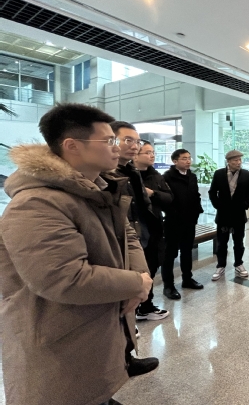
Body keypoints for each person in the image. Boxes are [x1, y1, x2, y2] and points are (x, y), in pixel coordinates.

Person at [0, 103, 155, 405]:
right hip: (59, 341)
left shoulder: (95, 190)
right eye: (108, 140)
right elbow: (64, 278)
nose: (117, 147)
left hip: (94, 328)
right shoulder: (37, 203)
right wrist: (136, 284)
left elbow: (127, 236)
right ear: (72, 146)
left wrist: (140, 275)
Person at [111, 122, 169, 323]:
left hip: (146, 234)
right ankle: (128, 321)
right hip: (124, 238)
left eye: (137, 142)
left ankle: (142, 310)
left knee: (146, 274)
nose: (134, 146)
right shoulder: (106, 175)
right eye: (128, 140)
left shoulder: (132, 172)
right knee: (128, 282)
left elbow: (154, 202)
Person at [134, 141, 174, 319]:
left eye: (153, 152)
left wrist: (153, 194)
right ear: (135, 156)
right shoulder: (127, 175)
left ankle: (146, 307)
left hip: (154, 229)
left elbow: (169, 198)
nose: (152, 155)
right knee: (134, 270)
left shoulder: (156, 175)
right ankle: (131, 311)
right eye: (148, 152)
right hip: (134, 230)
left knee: (151, 266)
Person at [162, 148, 204, 299]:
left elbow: (196, 195)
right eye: (184, 158)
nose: (188, 161)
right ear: (175, 161)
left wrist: (197, 212)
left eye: (189, 158)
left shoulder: (192, 176)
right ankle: (168, 286)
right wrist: (174, 214)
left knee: (187, 251)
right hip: (173, 222)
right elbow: (165, 200)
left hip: (189, 221)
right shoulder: (167, 177)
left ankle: (187, 279)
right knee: (170, 254)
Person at [209, 150, 249, 281]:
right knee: (222, 242)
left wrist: (245, 205)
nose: (238, 162)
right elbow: (212, 192)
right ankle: (220, 265)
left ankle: (239, 264)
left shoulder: (246, 174)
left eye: (240, 160)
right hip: (223, 214)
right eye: (235, 160)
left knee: (238, 242)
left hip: (239, 214)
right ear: (228, 161)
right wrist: (218, 205)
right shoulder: (219, 174)